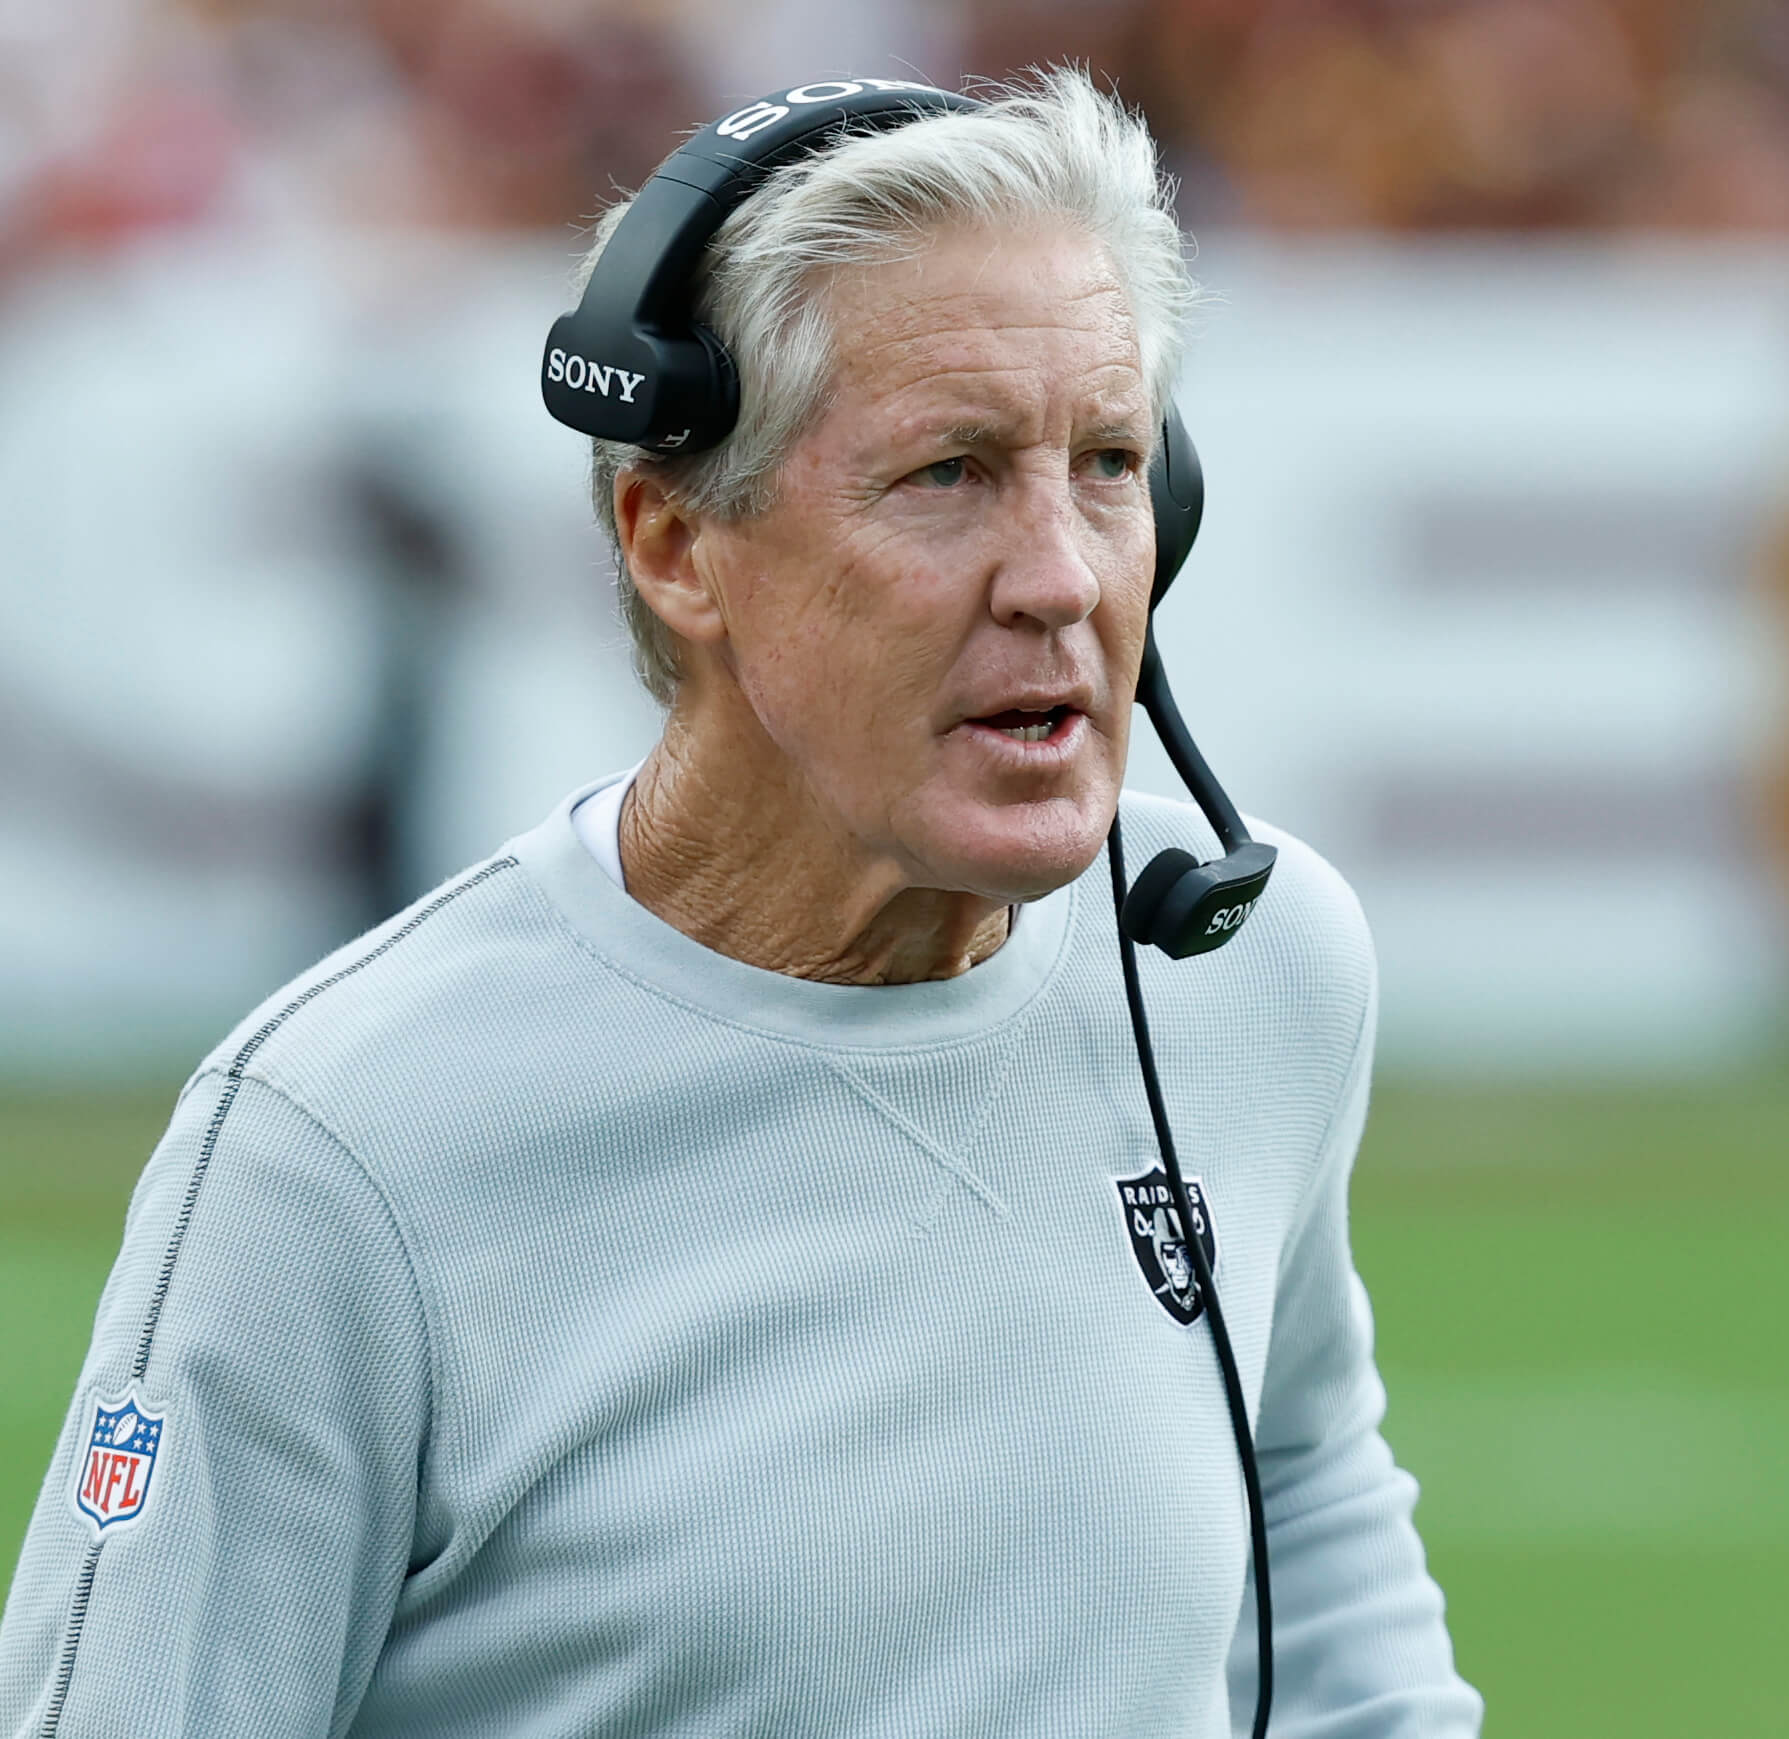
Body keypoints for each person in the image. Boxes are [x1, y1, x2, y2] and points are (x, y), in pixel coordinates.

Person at [0, 70, 1482, 1737]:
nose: (1062, 574)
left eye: (1111, 463)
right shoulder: (337, 1148)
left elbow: (1328, 1593)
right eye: (948, 472)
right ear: (674, 544)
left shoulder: (1253, 976)